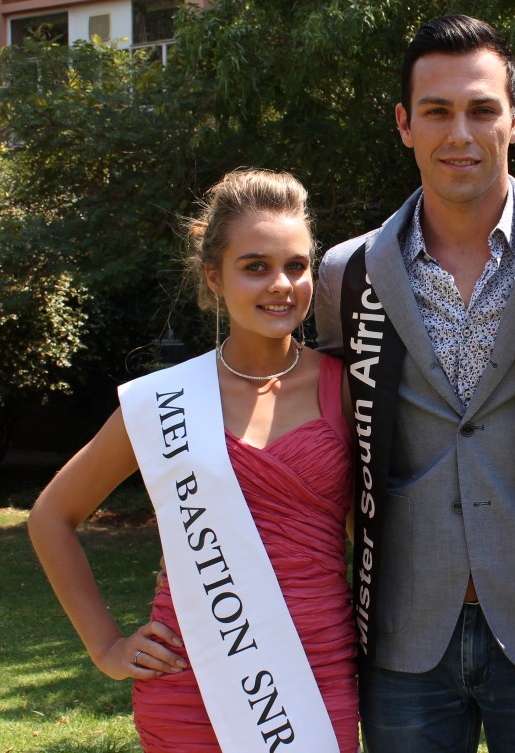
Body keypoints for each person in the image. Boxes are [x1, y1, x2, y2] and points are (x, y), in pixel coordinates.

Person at [315, 14, 515, 753]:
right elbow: (329, 436)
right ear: (404, 124)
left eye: (482, 109)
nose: (460, 133)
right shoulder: (346, 274)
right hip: (404, 635)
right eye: (437, 111)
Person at [28, 169, 359, 753]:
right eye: (255, 266)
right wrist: (105, 646)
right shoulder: (165, 401)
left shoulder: (348, 387)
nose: (281, 284)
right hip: (190, 678)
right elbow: (51, 516)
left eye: (296, 265)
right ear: (214, 276)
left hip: (318, 675)